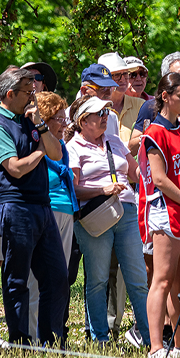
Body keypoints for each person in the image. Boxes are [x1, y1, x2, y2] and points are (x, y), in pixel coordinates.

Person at [0, 68, 68, 346]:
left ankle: (51, 340)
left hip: (42, 207)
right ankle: (20, 341)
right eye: (27, 91)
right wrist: (40, 151)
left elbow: (57, 154)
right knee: (16, 281)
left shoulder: (31, 120)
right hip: (15, 208)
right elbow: (15, 168)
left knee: (58, 277)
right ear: (10, 94)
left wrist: (42, 127)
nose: (33, 96)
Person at [68, 96, 151, 345]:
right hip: (95, 216)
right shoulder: (73, 147)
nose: (105, 116)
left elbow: (135, 173)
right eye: (99, 114)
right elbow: (73, 191)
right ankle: (99, 338)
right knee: (97, 280)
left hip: (125, 210)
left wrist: (150, 175)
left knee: (138, 279)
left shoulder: (114, 140)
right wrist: (101, 190)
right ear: (83, 121)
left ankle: (150, 337)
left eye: (106, 112)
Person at [138, 72, 180, 358]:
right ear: (165, 96)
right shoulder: (154, 133)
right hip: (166, 211)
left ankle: (179, 347)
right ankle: (155, 347)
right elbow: (160, 179)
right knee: (162, 280)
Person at [25, 92, 76, 341]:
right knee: (37, 281)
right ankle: (33, 336)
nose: (64, 123)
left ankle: (52, 335)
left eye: (64, 118)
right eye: (58, 118)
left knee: (59, 279)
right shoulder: (36, 141)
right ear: (44, 118)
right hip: (47, 210)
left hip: (66, 210)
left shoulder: (61, 145)